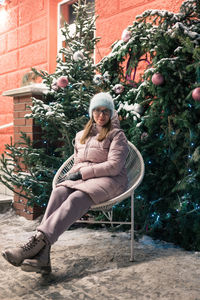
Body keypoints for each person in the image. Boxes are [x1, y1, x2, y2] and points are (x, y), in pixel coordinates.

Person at [2, 92, 129, 275]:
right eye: (97, 111)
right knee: (58, 193)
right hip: (87, 179)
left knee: (77, 198)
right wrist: (72, 176)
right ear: (91, 112)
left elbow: (114, 166)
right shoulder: (81, 136)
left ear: (111, 114)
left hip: (112, 180)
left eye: (106, 111)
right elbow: (78, 163)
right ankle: (43, 257)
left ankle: (31, 246)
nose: (101, 115)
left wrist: (82, 174)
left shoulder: (117, 135)